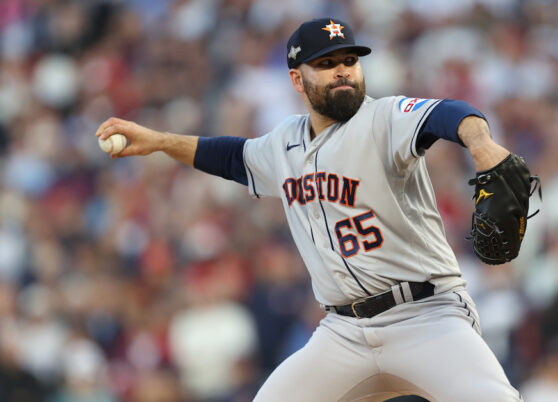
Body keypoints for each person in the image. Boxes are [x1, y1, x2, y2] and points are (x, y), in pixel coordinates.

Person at [96, 18, 524, 402]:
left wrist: (481, 143)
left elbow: (446, 114)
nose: (342, 69)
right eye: (326, 63)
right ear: (297, 81)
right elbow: (229, 156)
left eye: (349, 60)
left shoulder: (383, 118)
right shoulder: (284, 142)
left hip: (427, 317)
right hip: (344, 334)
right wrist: (159, 141)